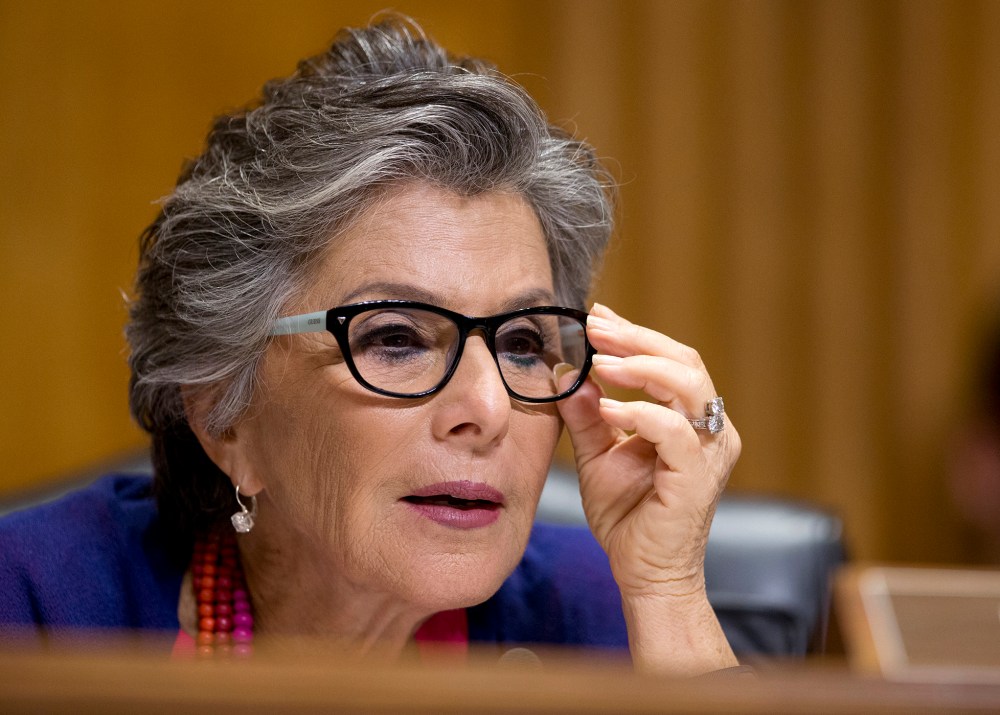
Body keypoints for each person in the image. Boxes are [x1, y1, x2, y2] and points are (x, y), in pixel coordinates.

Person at [0, 16, 742, 676]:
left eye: (521, 342)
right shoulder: (36, 606)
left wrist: (666, 593)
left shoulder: (594, 610)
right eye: (396, 338)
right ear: (225, 415)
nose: (487, 408)